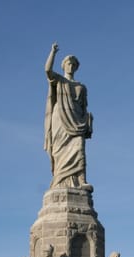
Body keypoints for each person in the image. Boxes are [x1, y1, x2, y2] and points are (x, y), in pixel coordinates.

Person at [44, 42, 93, 190]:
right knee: (59, 149)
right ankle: (60, 181)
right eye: (68, 63)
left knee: (79, 146)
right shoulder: (59, 80)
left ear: (76, 67)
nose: (70, 66)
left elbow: (84, 107)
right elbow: (47, 70)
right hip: (60, 119)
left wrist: (88, 122)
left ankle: (81, 180)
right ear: (63, 65)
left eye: (73, 64)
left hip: (78, 120)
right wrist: (53, 52)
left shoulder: (81, 87)